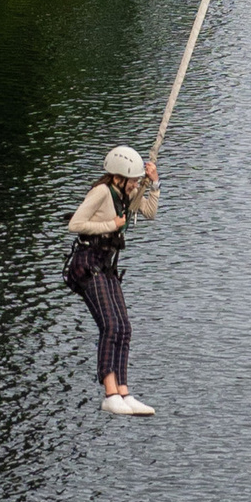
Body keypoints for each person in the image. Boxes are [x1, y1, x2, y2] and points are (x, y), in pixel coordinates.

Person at [65, 145, 160, 417]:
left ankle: (123, 391)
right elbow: (75, 224)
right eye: (133, 180)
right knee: (110, 325)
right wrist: (112, 225)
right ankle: (110, 394)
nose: (135, 184)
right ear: (118, 177)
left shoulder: (126, 194)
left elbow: (149, 212)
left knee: (124, 328)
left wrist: (154, 184)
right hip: (87, 264)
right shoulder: (101, 192)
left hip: (106, 266)